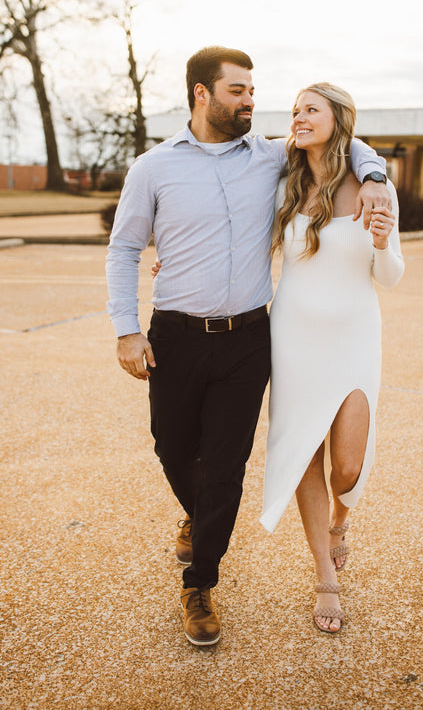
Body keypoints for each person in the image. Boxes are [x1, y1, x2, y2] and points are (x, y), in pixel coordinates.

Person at [106, 46, 391, 647]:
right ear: (201, 94)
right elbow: (124, 248)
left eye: (252, 92)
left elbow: (346, 139)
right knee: (172, 446)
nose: (250, 102)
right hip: (175, 337)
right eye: (237, 91)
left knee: (229, 466)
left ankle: (200, 584)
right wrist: (126, 329)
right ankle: (198, 514)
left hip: (250, 339)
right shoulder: (152, 168)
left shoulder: (270, 157)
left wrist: (374, 175)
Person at [260, 83, 404, 633]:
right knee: (303, 454)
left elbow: (390, 278)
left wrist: (386, 241)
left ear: (339, 119)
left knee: (346, 468)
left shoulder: (374, 190)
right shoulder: (283, 187)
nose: (297, 117)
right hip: (293, 338)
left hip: (354, 339)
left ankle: (342, 519)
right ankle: (325, 574)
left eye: (310, 109)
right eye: (294, 110)